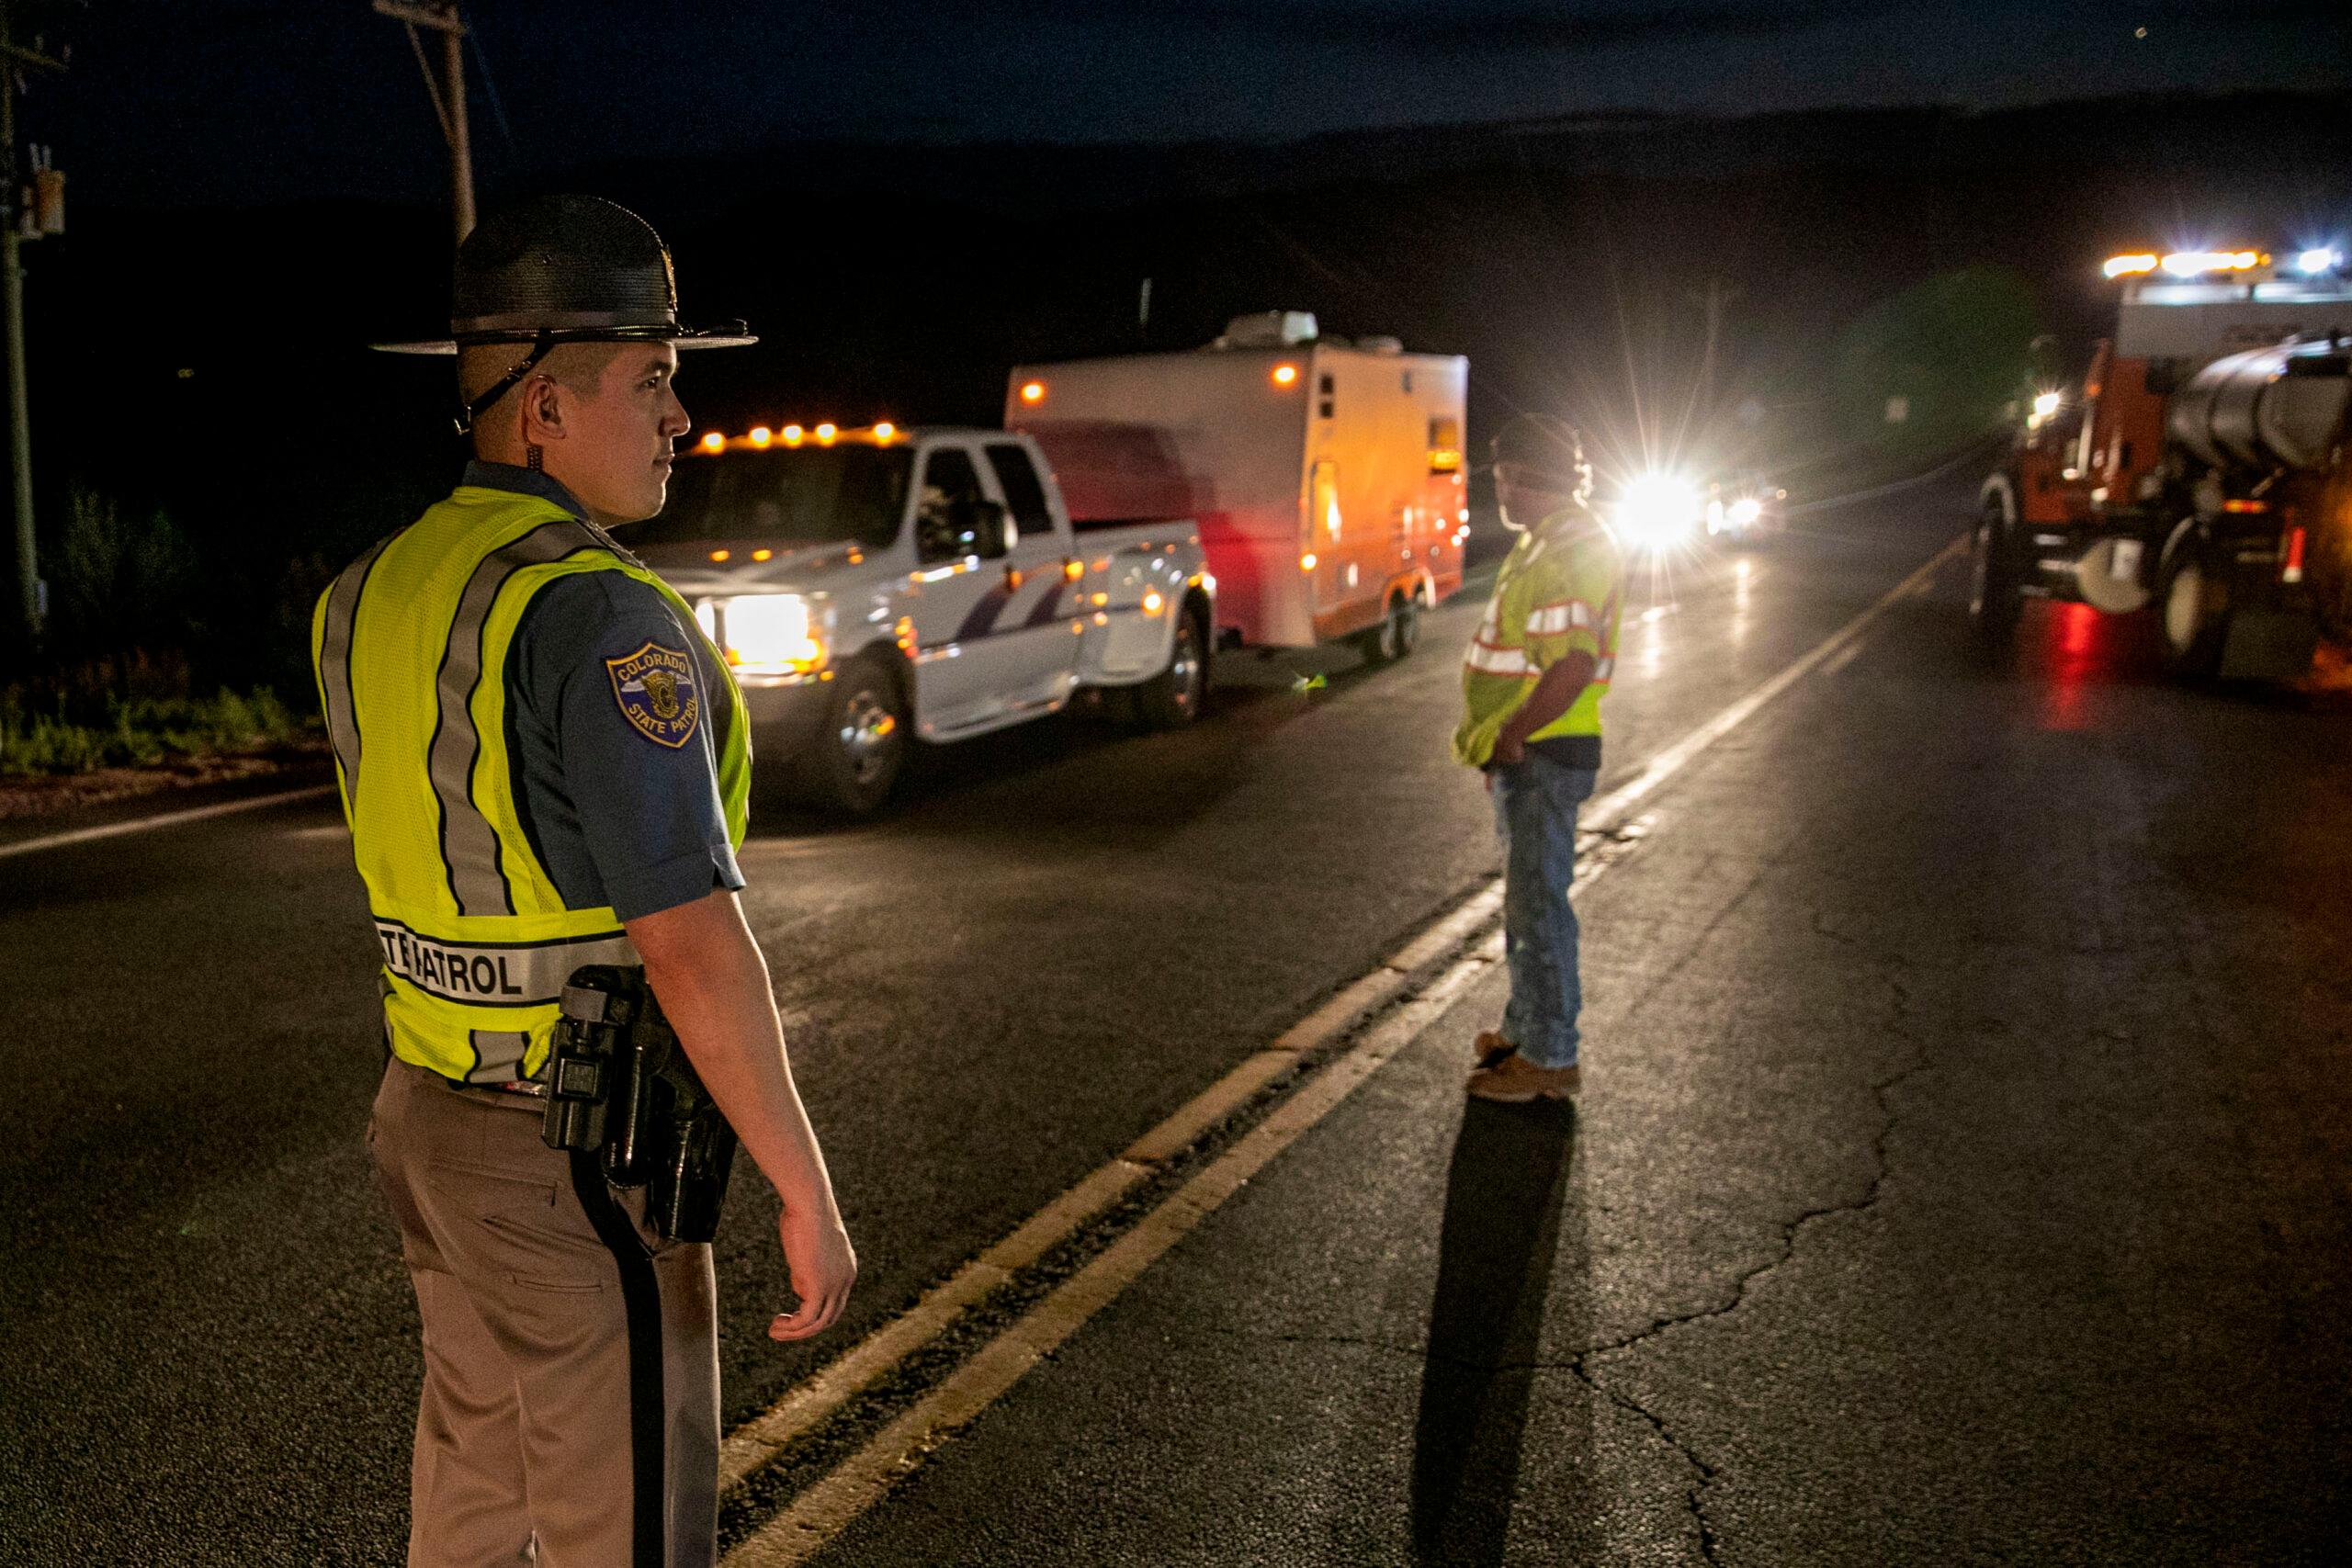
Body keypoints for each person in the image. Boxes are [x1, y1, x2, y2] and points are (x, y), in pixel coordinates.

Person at [314, 195, 855, 1567]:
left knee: (478, 1496)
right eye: (655, 378)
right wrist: (803, 1182)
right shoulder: (599, 614)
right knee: (631, 1530)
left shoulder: (372, 586)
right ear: (542, 409)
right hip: (571, 1158)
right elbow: (686, 936)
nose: (681, 415)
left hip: (429, 1120)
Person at [1451, 414, 1623, 1103]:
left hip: (1546, 751)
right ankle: (1525, 1031)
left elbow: (1573, 662)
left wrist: (1517, 732)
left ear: (1524, 476)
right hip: (1529, 751)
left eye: (1502, 475)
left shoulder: (1568, 547)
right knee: (1525, 905)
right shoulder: (1547, 541)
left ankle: (1551, 1056)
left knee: (1538, 907)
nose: (1500, 487)